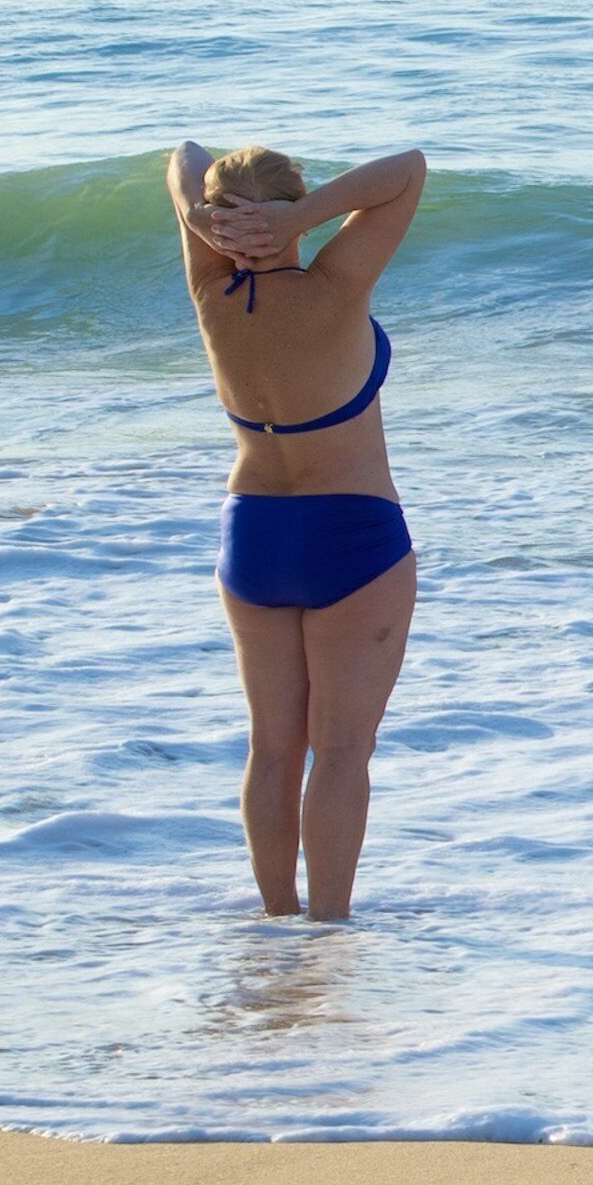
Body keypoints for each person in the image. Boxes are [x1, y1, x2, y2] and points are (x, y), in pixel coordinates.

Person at [169, 141, 427, 921]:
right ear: (293, 208)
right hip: (352, 533)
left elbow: (181, 154)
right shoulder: (336, 287)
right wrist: (299, 219)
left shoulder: (208, 286)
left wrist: (205, 221)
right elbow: (408, 168)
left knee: (272, 748)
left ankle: (278, 920)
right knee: (342, 750)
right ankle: (331, 932)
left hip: (251, 536)